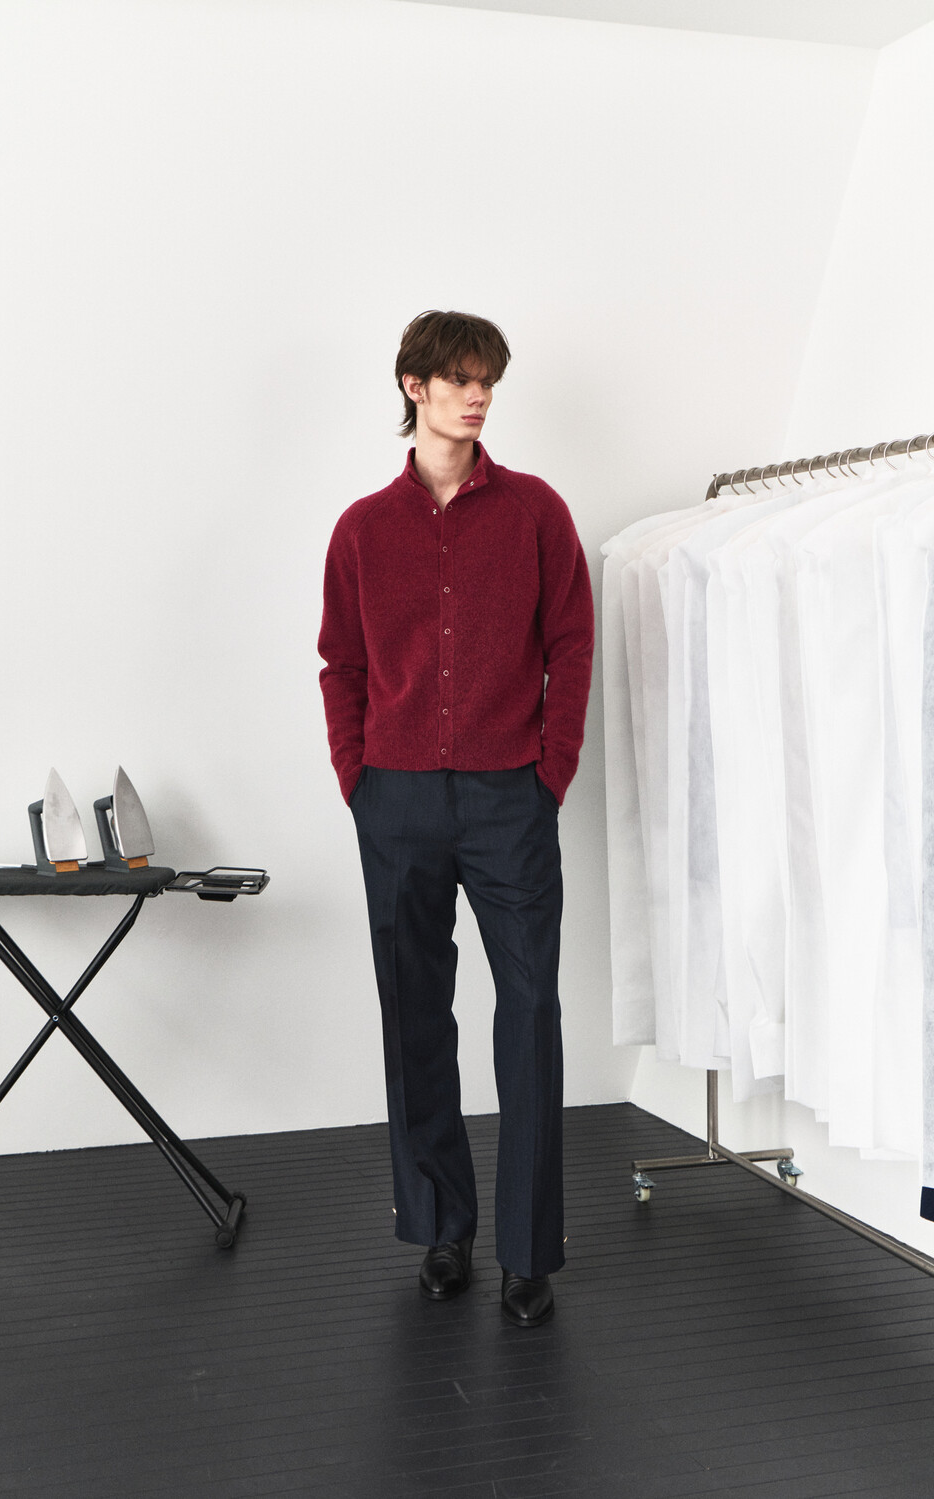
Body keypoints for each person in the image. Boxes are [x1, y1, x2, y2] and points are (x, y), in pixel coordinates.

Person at [318, 310, 594, 1327]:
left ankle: (528, 1251)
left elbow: (572, 642)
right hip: (394, 797)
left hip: (508, 795)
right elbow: (340, 663)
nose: (477, 396)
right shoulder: (361, 529)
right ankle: (442, 1226)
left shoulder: (535, 512)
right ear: (414, 385)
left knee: (529, 1011)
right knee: (414, 1012)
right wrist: (357, 776)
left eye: (487, 380)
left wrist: (548, 771)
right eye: (459, 378)